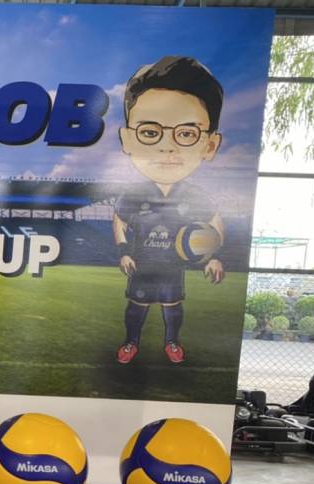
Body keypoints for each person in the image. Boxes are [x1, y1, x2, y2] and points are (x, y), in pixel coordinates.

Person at [113, 56, 225, 365]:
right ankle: (130, 343)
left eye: (187, 134)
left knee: (172, 305)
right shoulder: (134, 193)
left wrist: (213, 255)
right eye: (150, 132)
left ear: (210, 145)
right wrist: (123, 251)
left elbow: (215, 221)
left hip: (173, 266)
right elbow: (119, 219)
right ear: (127, 139)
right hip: (143, 264)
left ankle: (172, 343)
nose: (167, 147)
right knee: (136, 306)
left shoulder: (195, 195)